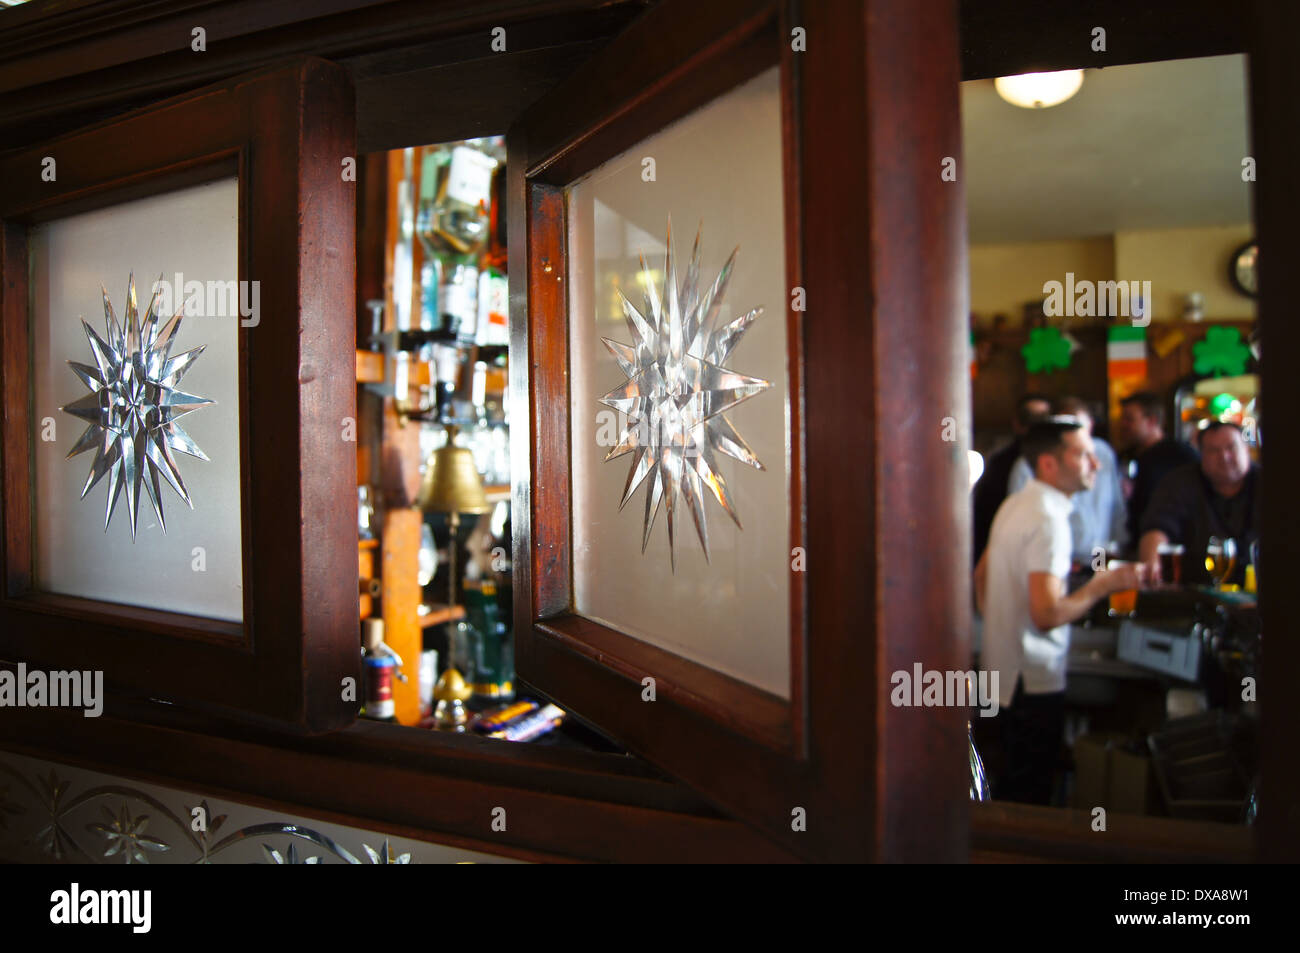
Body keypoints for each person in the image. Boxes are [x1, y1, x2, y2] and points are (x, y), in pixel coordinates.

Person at [975, 417, 1146, 805]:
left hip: (999, 675)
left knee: (1005, 791)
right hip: (1031, 683)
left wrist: (1000, 627)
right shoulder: (1049, 520)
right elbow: (1046, 614)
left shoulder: (1015, 503)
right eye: (1084, 455)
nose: (1096, 464)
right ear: (1050, 464)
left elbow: (980, 574)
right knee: (1031, 800)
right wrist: (1104, 584)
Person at [1139, 421, 1260, 587]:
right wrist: (1152, 567)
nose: (1224, 456)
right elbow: (1157, 528)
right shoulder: (1181, 482)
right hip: (1195, 591)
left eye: (1231, 447)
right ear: (1200, 455)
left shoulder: (1270, 482)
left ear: (1247, 450)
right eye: (1213, 451)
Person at [1008, 396, 1127, 564]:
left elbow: (1115, 511)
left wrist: (1108, 564)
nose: (1095, 465)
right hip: (1064, 560)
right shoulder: (1047, 516)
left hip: (1099, 555)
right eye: (1072, 430)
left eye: (1083, 429)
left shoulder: (1102, 454)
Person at [972, 392, 1051, 564]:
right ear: (1017, 424)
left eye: (1043, 419)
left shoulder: (1057, 462)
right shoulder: (1002, 464)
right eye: (1030, 419)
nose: (1036, 426)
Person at [1118, 391, 1198, 546]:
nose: (1122, 424)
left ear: (1152, 421)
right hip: (1131, 543)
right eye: (1123, 419)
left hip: (1170, 546)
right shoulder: (1125, 456)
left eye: (1129, 419)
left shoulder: (1180, 454)